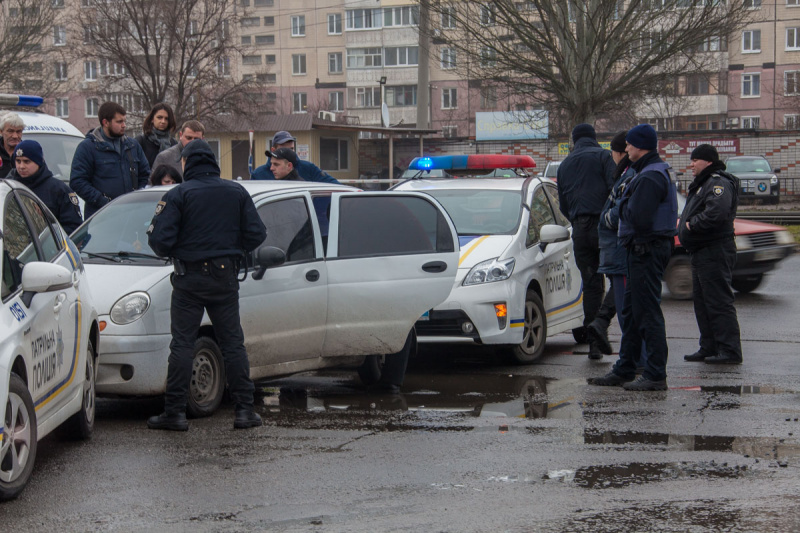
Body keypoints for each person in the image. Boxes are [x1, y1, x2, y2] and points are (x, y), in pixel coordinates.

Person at [146, 139, 267, 431]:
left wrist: (184, 245)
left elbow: (159, 242)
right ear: (212, 163)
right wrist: (231, 248)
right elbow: (257, 234)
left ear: (185, 163)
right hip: (225, 278)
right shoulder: (236, 192)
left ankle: (174, 413)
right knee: (233, 345)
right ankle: (244, 411)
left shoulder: (179, 195)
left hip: (189, 279)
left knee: (183, 345)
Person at [589, 124, 677, 391]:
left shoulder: (650, 177)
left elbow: (638, 217)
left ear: (640, 146)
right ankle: (625, 368)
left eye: (629, 144)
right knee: (631, 310)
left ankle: (654, 374)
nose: (625, 149)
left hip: (646, 249)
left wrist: (618, 213)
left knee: (647, 312)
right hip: (639, 249)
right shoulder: (646, 172)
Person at [678, 144, 742, 365]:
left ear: (707, 161)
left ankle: (730, 350)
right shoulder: (704, 183)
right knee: (703, 302)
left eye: (695, 160)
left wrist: (693, 225)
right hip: (701, 251)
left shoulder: (717, 182)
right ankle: (709, 347)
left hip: (714, 250)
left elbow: (717, 212)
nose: (691, 164)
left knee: (718, 301)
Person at [556, 123, 616, 359]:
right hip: (605, 228)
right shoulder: (604, 157)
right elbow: (614, 192)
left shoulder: (564, 165)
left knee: (591, 286)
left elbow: (562, 204)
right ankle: (601, 324)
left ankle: (594, 346)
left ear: (573, 140)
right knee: (620, 279)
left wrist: (579, 220)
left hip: (580, 230)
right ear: (594, 138)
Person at [585, 131, 635, 356]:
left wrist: (607, 218)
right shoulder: (626, 173)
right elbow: (622, 207)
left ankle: (601, 323)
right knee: (623, 290)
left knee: (611, 286)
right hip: (618, 242)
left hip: (612, 240)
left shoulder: (626, 173)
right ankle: (603, 324)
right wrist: (607, 218)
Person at [70, 102, 150, 218]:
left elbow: (145, 174)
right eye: (119, 122)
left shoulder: (132, 146)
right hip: (100, 217)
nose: (124, 125)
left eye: (124, 121)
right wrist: (103, 201)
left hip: (131, 214)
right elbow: (78, 181)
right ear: (105, 122)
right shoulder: (88, 147)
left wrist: (136, 197)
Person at [8, 140, 82, 233]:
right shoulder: (9, 185)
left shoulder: (58, 189)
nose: (21, 166)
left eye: (27, 161)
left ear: (39, 162)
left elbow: (74, 228)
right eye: (18, 161)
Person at [251, 131, 339, 183]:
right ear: (273, 150)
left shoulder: (308, 168)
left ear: (290, 166)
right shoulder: (259, 174)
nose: (289, 152)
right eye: (284, 149)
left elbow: (334, 186)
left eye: (292, 148)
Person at [135, 103, 178, 169]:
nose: (163, 121)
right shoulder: (141, 141)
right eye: (159, 117)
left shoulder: (173, 143)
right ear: (152, 119)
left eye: (166, 118)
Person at [0, 112, 25, 179]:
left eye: (18, 131)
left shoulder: (29, 151)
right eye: (10, 131)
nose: (15, 136)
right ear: (1, 132)